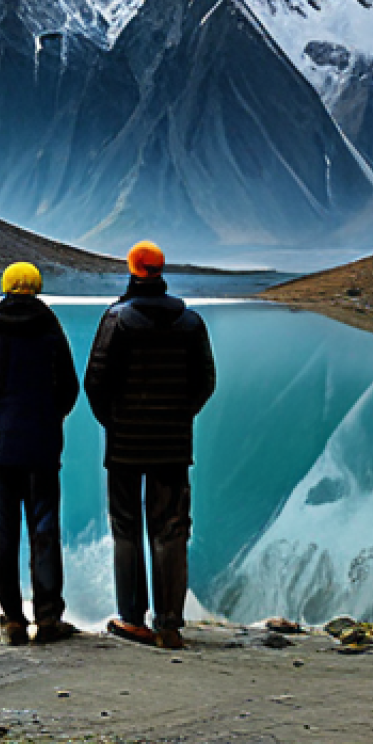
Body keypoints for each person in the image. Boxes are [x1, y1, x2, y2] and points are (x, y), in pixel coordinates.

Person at [85, 241, 216, 650]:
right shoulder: (191, 322)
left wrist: (116, 422)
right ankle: (170, 624)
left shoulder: (116, 319)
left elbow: (96, 383)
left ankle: (132, 619)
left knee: (126, 530)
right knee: (172, 529)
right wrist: (180, 416)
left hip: (125, 445)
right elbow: (205, 382)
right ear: (161, 270)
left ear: (132, 269)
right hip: (173, 445)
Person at [0, 261, 80, 645]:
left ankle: (13, 619)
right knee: (44, 528)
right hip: (42, 445)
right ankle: (48, 617)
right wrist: (50, 417)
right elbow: (69, 385)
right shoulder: (51, 328)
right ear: (36, 287)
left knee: (3, 531)